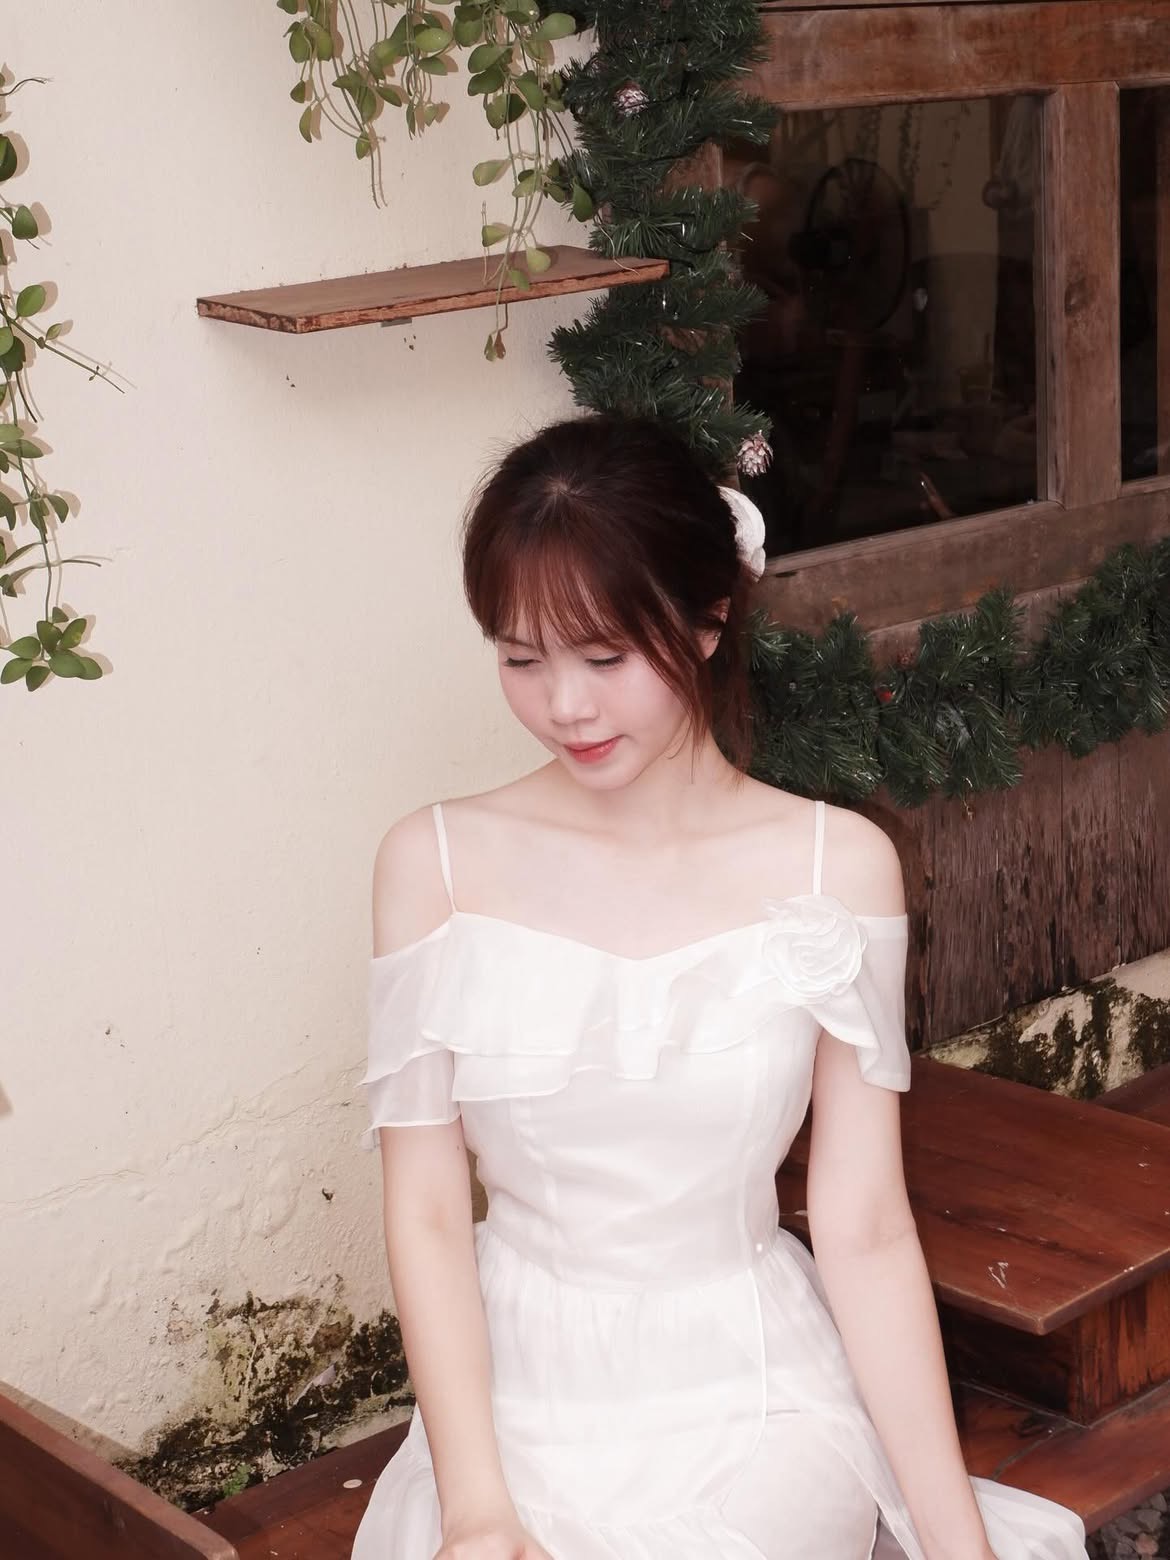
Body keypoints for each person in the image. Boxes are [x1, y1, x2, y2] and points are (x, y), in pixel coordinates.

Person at [351, 414, 1088, 1560]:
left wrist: (959, 1547)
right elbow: (430, 1210)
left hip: (755, 1396)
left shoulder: (835, 866)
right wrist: (478, 1510)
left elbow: (863, 1225)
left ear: (706, 620)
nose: (565, 707)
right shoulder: (431, 865)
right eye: (521, 659)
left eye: (605, 657)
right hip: (510, 1400)